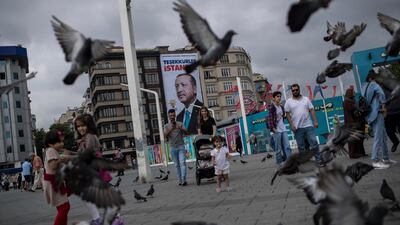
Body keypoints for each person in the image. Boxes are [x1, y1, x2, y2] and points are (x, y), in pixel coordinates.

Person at [74, 113, 111, 225]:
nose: (80, 128)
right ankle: (103, 218)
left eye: (83, 125)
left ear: (88, 125)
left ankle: (100, 219)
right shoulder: (85, 138)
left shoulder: (89, 136)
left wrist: (68, 157)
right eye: (78, 126)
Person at [363, 70, 394, 169]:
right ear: (372, 78)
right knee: (378, 137)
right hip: (377, 113)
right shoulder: (374, 85)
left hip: (370, 115)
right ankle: (375, 160)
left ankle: (386, 158)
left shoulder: (364, 87)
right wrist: (384, 107)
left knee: (383, 137)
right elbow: (381, 95)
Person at [285, 84, 321, 163]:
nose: (295, 91)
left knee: (314, 143)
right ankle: (305, 162)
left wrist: (315, 121)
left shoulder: (306, 99)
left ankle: (319, 160)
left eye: (296, 90)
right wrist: (291, 125)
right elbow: (287, 113)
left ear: (299, 89)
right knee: (301, 147)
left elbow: (311, 109)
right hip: (297, 128)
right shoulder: (288, 102)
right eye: (293, 90)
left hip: (308, 126)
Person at [43, 130, 71, 225]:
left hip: (54, 182)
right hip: (54, 182)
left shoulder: (53, 150)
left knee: (61, 207)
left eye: (62, 141)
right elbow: (53, 165)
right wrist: (62, 158)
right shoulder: (51, 151)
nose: (62, 144)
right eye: (59, 142)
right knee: (65, 207)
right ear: (50, 144)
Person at [164, 108, 189, 186]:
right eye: (170, 115)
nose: (172, 117)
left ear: (175, 115)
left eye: (173, 115)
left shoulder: (180, 123)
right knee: (176, 165)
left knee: (182, 163)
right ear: (168, 116)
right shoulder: (166, 126)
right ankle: (180, 180)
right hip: (172, 148)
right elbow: (165, 136)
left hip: (181, 146)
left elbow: (187, 132)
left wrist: (180, 128)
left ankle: (184, 180)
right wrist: (171, 129)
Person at [267, 91, 292, 166]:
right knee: (278, 149)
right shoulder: (271, 107)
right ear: (274, 98)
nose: (279, 98)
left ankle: (289, 163)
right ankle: (280, 165)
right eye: (277, 96)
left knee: (287, 146)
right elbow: (270, 119)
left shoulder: (281, 107)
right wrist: (273, 129)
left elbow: (282, 118)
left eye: (280, 96)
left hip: (283, 129)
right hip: (276, 130)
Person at [343, 88, 366, 159]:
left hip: (356, 122)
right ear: (349, 93)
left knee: (359, 138)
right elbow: (351, 112)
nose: (355, 93)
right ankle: (353, 154)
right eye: (353, 92)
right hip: (352, 123)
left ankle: (360, 152)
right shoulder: (347, 101)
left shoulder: (352, 100)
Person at [383, 86, 400, 153]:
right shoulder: (382, 90)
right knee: (389, 131)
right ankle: (395, 141)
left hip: (399, 112)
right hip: (389, 114)